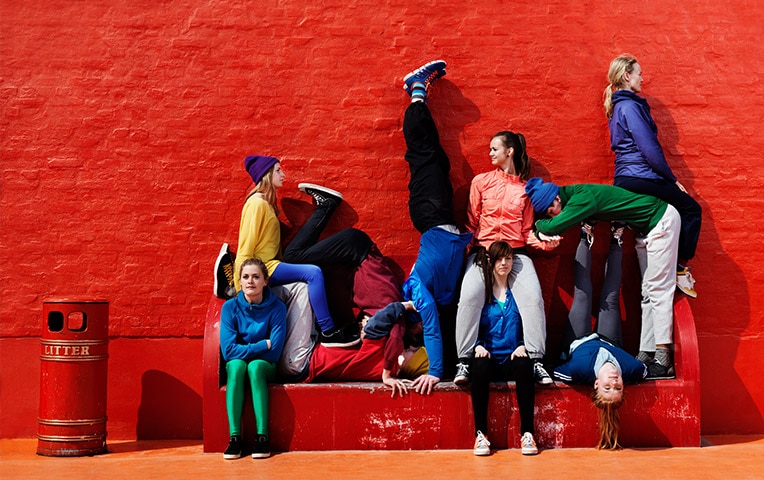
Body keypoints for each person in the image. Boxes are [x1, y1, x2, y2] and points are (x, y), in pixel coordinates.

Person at [525, 178, 680, 378]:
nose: (553, 214)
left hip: (660, 222)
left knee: (659, 290)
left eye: (550, 210)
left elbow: (554, 227)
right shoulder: (576, 196)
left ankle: (663, 358)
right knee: (648, 293)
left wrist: (539, 225)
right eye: (547, 214)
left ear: (556, 198)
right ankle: (647, 353)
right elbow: (552, 225)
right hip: (646, 229)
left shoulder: (581, 198)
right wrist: (541, 228)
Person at [454, 129, 560, 386]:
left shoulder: (525, 190)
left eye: (494, 148)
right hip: (484, 251)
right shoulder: (480, 182)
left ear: (509, 151)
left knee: (533, 298)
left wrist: (547, 244)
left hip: (516, 252)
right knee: (469, 296)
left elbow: (526, 232)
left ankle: (536, 361)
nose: (489, 153)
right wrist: (461, 255)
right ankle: (464, 361)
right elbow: (471, 223)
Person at [233, 156, 362, 347]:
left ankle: (326, 205)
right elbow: (246, 246)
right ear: (267, 174)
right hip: (265, 268)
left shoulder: (267, 203)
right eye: (277, 170)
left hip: (273, 264)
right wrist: (240, 286)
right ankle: (328, 332)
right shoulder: (257, 204)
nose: (282, 175)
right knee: (314, 273)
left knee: (308, 261)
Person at [400, 60, 473, 394]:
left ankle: (416, 92)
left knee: (424, 155)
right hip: (441, 217)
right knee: (438, 161)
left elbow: (430, 326)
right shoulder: (440, 296)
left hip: (430, 215)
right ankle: (416, 95)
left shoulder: (418, 291)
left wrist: (437, 371)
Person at [603, 54, 702, 299]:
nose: (642, 79)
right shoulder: (630, 106)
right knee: (691, 210)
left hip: (626, 177)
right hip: (640, 177)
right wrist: (671, 179)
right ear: (627, 76)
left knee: (654, 221)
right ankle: (680, 268)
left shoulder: (619, 107)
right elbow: (649, 149)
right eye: (639, 73)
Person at [553, 224, 648, 449]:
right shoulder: (632, 369)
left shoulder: (579, 371)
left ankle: (585, 235)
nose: (614, 383)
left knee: (583, 295)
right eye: (619, 388)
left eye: (608, 388)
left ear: (596, 384)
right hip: (610, 341)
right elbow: (644, 371)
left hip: (578, 341)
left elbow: (555, 370)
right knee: (611, 296)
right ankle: (616, 237)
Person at [469, 241, 538, 456]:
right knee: (478, 368)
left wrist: (522, 345)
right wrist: (478, 345)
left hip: (511, 356)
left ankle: (528, 433)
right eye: (499, 259)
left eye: (508, 258)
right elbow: (470, 322)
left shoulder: (518, 293)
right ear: (491, 262)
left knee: (525, 365)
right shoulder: (482, 293)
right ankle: (481, 435)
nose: (504, 263)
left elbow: (530, 320)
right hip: (488, 356)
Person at [219, 257, 287, 460]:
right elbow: (228, 352)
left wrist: (254, 349)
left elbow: (274, 351)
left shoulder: (277, 308)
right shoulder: (230, 308)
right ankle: (234, 439)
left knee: (255, 367)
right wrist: (261, 345)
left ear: (265, 281)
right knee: (237, 366)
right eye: (246, 277)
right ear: (239, 281)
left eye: (256, 277)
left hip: (266, 366)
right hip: (243, 361)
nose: (250, 281)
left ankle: (262, 437)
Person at [306, 300, 430, 398]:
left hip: (307, 358)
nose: (412, 347)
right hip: (309, 364)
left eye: (416, 351)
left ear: (410, 364)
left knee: (302, 287)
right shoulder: (385, 371)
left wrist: (407, 305)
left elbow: (376, 323)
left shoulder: (381, 358)